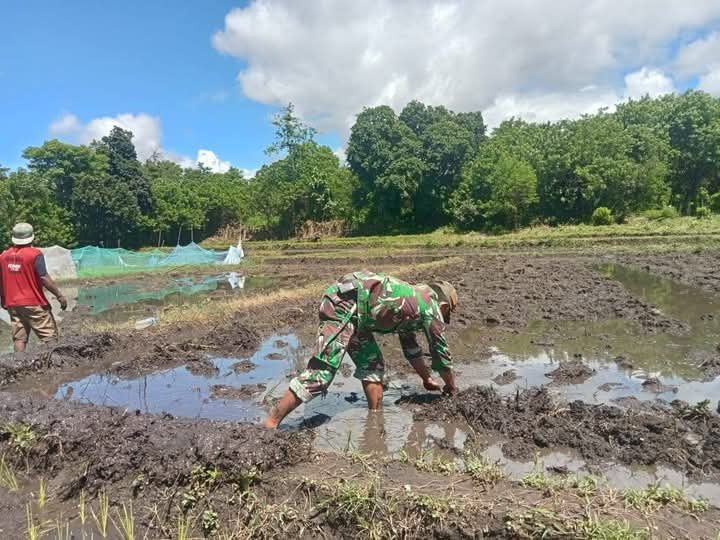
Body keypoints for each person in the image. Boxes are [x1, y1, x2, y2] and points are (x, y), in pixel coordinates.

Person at [264, 271, 458, 428]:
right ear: (443, 305)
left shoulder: (413, 306)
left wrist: (426, 378)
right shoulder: (429, 305)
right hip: (345, 302)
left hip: (360, 315)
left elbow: (411, 349)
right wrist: (451, 386)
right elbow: (440, 351)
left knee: (373, 365)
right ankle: (270, 425)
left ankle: (374, 421)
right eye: (445, 313)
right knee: (321, 373)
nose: (442, 318)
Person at [0, 223, 67, 352]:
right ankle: (54, 366)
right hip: (34, 303)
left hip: (13, 304)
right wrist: (59, 295)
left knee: (19, 338)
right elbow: (43, 277)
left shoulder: (3, 256)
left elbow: (1, 280)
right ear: (31, 237)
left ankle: (19, 364)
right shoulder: (35, 254)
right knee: (49, 337)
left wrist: (3, 298)